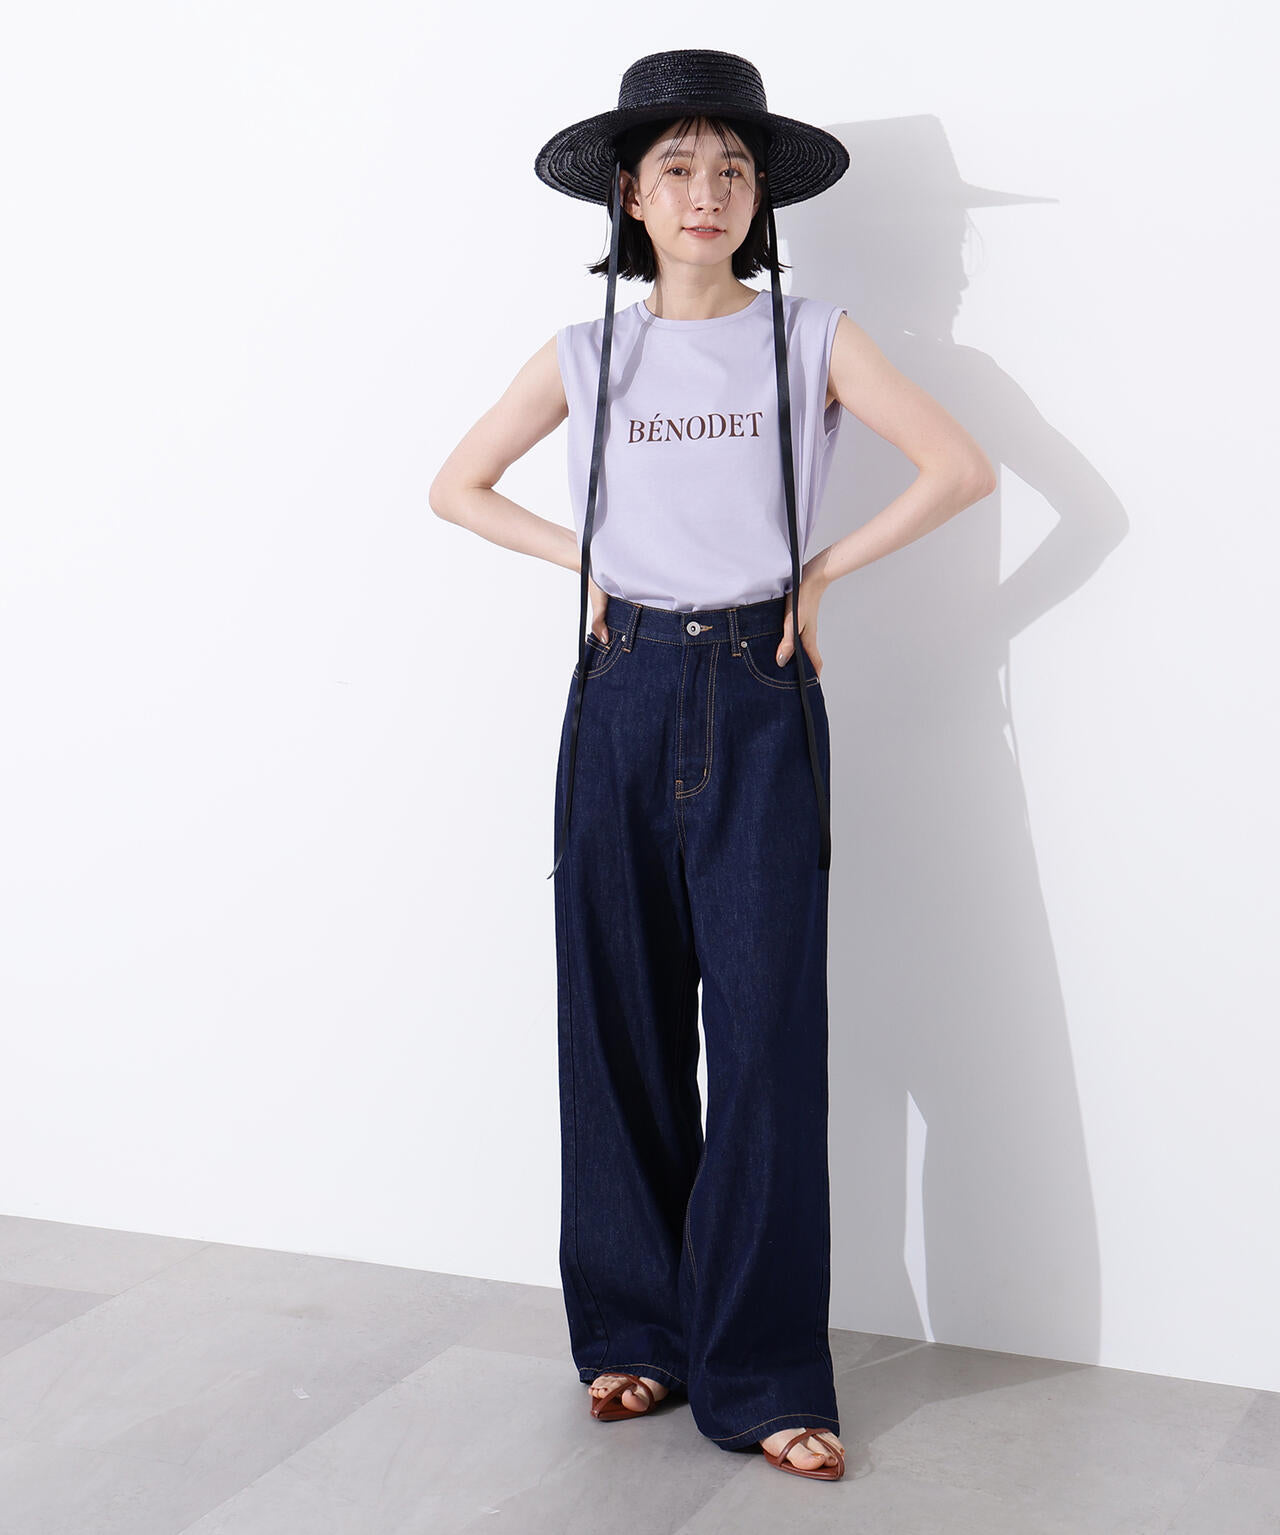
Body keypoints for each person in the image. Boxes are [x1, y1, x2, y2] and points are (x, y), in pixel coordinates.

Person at [430, 50, 995, 1483]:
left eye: (732, 169)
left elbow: (960, 469)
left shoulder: (812, 337)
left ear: (761, 200)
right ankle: (636, 1335)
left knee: (764, 1041)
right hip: (620, 691)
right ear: (630, 195)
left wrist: (821, 572)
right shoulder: (586, 354)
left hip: (759, 691)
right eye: (677, 167)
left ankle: (764, 1373)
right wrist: (587, 563)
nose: (707, 191)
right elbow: (456, 487)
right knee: (616, 1023)